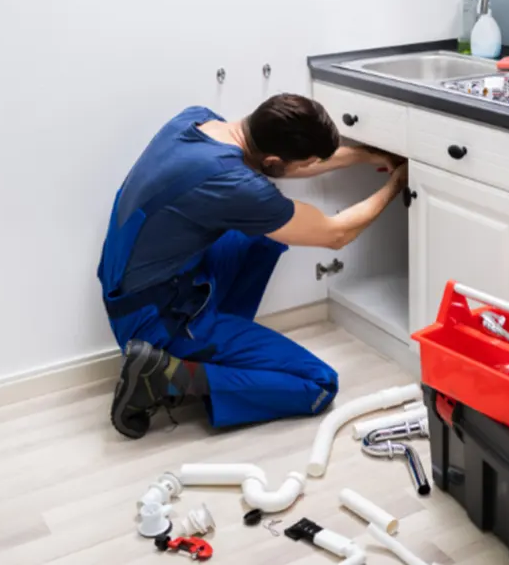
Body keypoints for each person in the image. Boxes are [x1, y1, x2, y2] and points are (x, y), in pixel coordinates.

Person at [98, 94, 408, 439]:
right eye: (302, 164)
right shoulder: (232, 184)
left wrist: (367, 155)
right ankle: (168, 376)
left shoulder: (197, 122)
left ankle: (214, 349)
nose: (306, 169)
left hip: (134, 286)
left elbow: (283, 168)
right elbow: (337, 234)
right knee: (318, 384)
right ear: (273, 159)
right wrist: (398, 181)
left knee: (264, 234)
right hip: (154, 319)